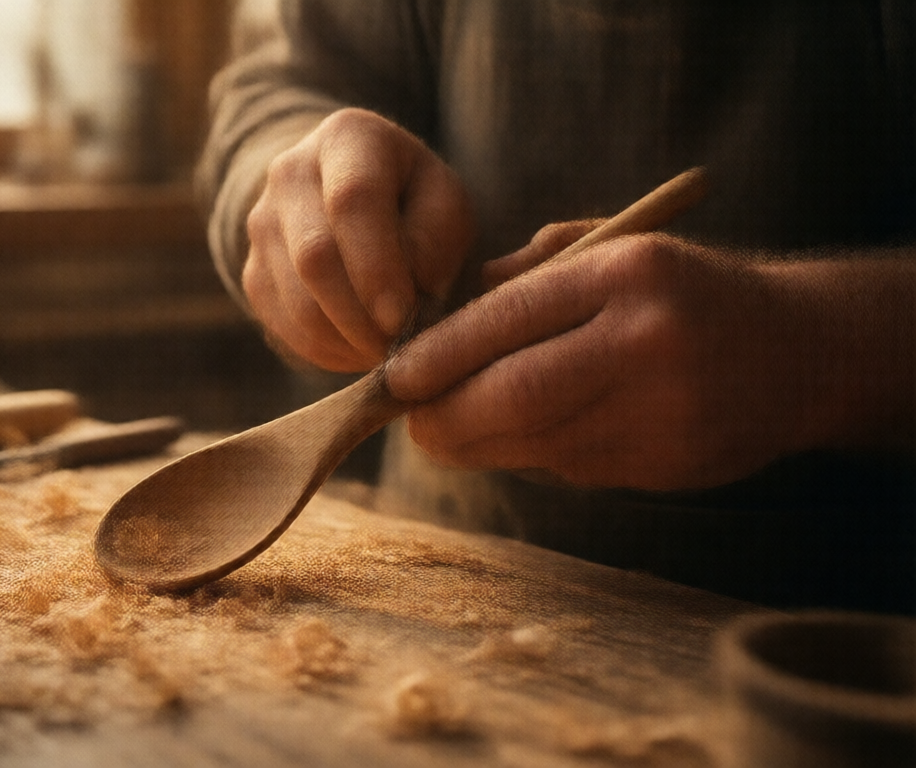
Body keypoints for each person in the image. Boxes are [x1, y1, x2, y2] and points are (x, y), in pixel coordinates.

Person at [197, 1, 914, 612]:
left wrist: (822, 348)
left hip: (842, 627)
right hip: (439, 581)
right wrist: (301, 186)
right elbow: (281, 87)